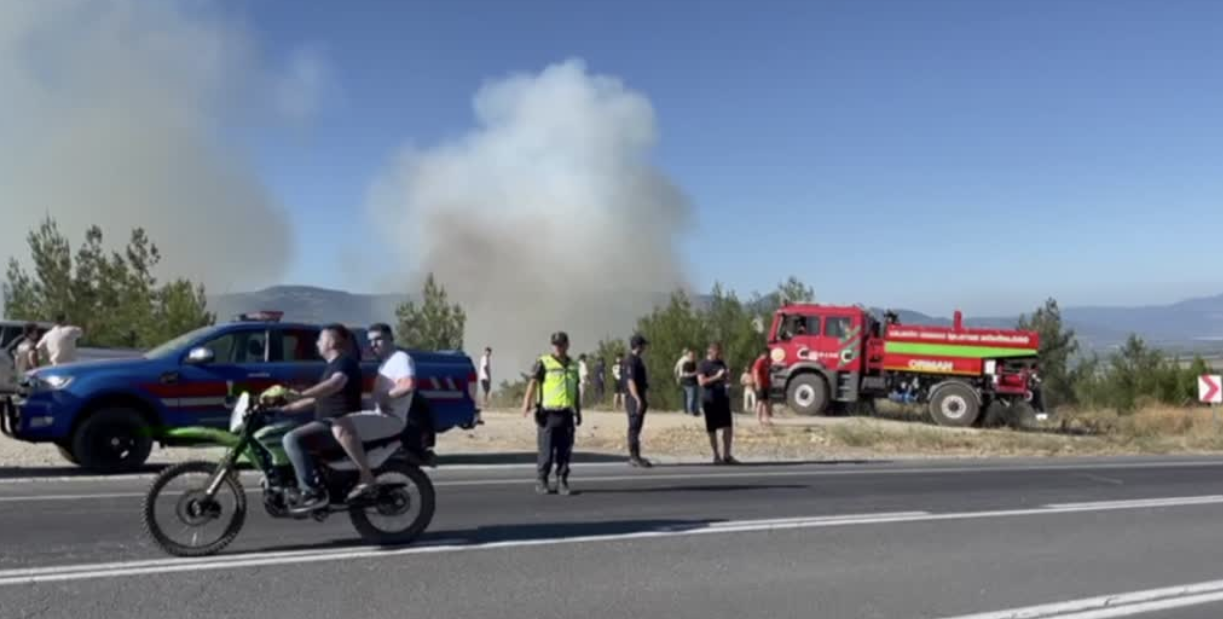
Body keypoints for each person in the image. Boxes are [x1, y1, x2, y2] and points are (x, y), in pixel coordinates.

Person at [277, 324, 367, 512]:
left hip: (337, 424)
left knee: (291, 439)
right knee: (282, 432)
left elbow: (336, 384)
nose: (317, 343)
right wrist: (282, 409)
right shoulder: (331, 367)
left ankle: (311, 492)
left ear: (332, 342)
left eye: (320, 338)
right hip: (326, 423)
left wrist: (300, 395)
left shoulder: (345, 363)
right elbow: (313, 400)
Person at [521, 331, 582, 495]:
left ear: (567, 345)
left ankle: (562, 481)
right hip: (548, 414)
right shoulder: (544, 362)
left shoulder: (574, 365)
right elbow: (533, 382)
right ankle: (542, 480)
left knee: (565, 450)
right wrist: (527, 402)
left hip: (567, 413)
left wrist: (578, 411)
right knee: (546, 450)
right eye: (555, 344)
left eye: (561, 344)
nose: (558, 347)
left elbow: (575, 389)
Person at [698, 342, 738, 464]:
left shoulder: (721, 363)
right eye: (718, 352)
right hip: (710, 399)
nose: (720, 354)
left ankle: (727, 455)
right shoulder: (703, 365)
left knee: (728, 427)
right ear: (711, 351)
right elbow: (702, 382)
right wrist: (716, 377)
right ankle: (716, 455)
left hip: (723, 398)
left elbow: (726, 379)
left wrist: (728, 376)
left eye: (720, 352)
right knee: (712, 429)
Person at [624, 334, 652, 467]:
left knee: (637, 428)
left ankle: (636, 455)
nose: (644, 347)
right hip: (634, 398)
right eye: (643, 345)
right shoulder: (631, 361)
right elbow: (630, 381)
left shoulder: (637, 360)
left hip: (640, 396)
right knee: (634, 428)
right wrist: (637, 398)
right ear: (638, 345)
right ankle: (634, 456)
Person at [752, 350, 774, 425]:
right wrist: (757, 383)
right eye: (767, 354)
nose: (768, 356)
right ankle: (759, 420)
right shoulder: (759, 361)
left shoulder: (767, 362)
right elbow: (755, 372)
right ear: (764, 354)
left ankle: (766, 419)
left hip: (766, 385)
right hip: (760, 384)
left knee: (766, 402)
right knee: (760, 402)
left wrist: (770, 383)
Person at [680, 350, 699, 417]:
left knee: (696, 397)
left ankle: (695, 411)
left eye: (693, 356)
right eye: (691, 356)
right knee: (690, 397)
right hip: (688, 384)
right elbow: (685, 374)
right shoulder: (686, 364)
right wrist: (694, 373)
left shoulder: (694, 363)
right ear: (688, 356)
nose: (692, 357)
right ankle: (690, 411)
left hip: (695, 383)